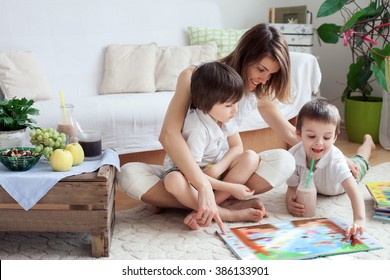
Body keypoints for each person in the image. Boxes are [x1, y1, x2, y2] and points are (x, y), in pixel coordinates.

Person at [118, 23, 300, 233]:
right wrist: (203, 184)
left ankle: (191, 203)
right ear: (245, 54)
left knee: (285, 160)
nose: (263, 79)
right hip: (190, 170)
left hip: (223, 171)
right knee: (128, 174)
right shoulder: (195, 77)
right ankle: (222, 208)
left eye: (270, 75)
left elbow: (288, 132)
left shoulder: (259, 88)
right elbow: (169, 135)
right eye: (261, 69)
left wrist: (333, 154)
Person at [163, 62, 261, 229]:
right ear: (204, 104)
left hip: (211, 170)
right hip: (189, 174)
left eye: (236, 102)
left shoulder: (225, 118)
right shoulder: (198, 130)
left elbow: (237, 147)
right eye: (229, 105)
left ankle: (208, 207)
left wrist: (218, 168)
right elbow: (190, 174)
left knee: (251, 157)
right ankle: (226, 213)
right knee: (174, 181)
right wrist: (230, 187)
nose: (235, 110)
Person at [285, 98, 375, 241]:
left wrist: (359, 220)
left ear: (334, 137)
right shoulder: (293, 157)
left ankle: (368, 143)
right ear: (298, 134)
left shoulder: (337, 162)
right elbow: (291, 187)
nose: (319, 142)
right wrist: (290, 202)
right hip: (318, 187)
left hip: (342, 183)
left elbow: (354, 192)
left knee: (360, 161)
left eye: (327, 137)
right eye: (311, 136)